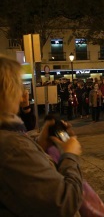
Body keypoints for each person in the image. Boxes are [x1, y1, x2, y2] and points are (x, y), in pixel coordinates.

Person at [0, 54, 83, 216]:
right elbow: (64, 202)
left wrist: (40, 145)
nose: (23, 92)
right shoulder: (13, 147)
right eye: (19, 84)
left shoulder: (10, 137)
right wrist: (70, 155)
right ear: (9, 91)